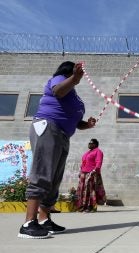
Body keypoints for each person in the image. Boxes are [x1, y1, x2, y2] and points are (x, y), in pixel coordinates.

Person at [18, 61, 96, 239]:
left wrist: (87, 124)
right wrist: (75, 79)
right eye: (76, 73)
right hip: (48, 128)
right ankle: (28, 223)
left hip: (62, 134)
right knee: (42, 172)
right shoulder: (58, 80)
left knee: (54, 178)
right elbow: (58, 91)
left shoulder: (74, 94)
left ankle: (44, 220)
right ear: (69, 72)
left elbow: (76, 122)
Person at [76, 138, 105, 212]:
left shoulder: (98, 151)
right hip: (84, 173)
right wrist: (80, 171)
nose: (89, 144)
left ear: (95, 144)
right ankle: (83, 206)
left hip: (92, 173)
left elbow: (99, 162)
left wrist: (95, 170)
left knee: (90, 190)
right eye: (89, 143)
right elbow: (83, 162)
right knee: (83, 189)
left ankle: (90, 206)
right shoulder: (88, 152)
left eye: (91, 143)